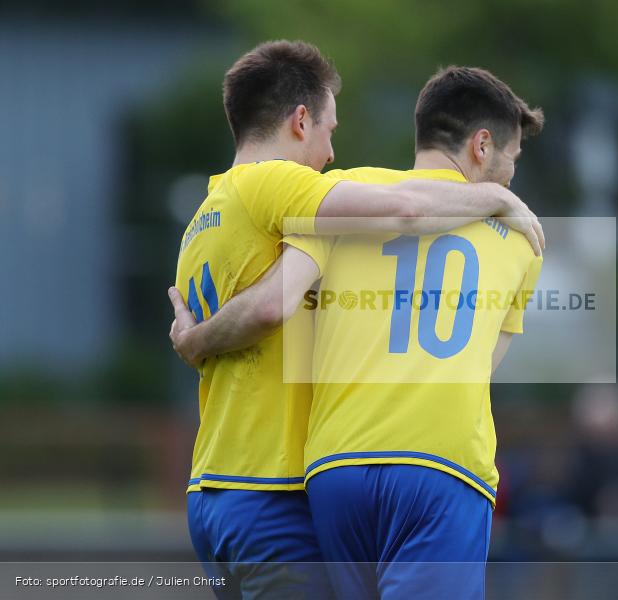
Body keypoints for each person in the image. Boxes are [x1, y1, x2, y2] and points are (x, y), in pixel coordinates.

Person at [171, 40, 543, 600]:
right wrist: (496, 199)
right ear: (300, 121)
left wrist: (196, 338)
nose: (330, 150)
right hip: (273, 488)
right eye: (328, 129)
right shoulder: (283, 186)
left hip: (223, 487)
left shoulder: (203, 219)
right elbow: (402, 215)